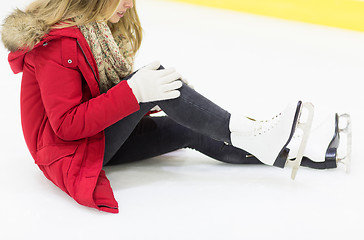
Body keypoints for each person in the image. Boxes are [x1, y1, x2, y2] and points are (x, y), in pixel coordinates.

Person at [1, 0, 349, 213]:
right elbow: (66, 126)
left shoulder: (97, 31)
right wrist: (134, 92)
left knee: (187, 126)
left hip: (95, 140)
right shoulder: (55, 44)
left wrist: (137, 92)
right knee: (153, 82)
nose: (130, 5)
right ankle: (256, 133)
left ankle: (300, 152)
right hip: (67, 152)